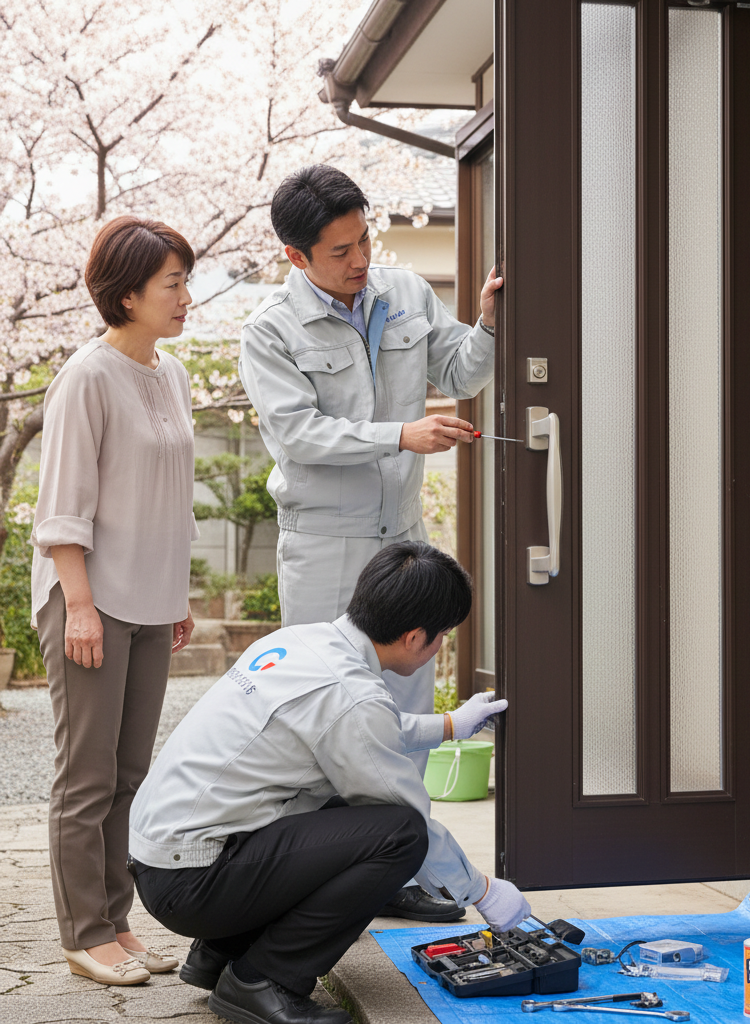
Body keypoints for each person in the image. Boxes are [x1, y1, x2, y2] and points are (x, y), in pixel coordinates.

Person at [238, 164, 501, 922]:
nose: (359, 261)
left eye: (363, 240)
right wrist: (402, 434)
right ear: (295, 257)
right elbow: (298, 436)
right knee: (323, 713)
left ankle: (401, 871)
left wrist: (486, 322)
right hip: (324, 546)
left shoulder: (406, 293)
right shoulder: (271, 331)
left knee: (404, 708)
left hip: (402, 538)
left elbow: (462, 370)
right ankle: (311, 872)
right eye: (339, 251)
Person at [128, 542, 530, 1024]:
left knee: (345, 813)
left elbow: (363, 728)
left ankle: (220, 952)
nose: (441, 645)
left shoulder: (303, 643)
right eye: (443, 635)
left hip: (165, 856)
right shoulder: (350, 697)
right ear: (413, 636)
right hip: (193, 881)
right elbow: (401, 803)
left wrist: (450, 724)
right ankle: (264, 980)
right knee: (399, 834)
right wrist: (483, 891)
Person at [30, 216, 200, 986]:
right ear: (127, 294)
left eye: (184, 282)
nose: (186, 297)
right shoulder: (87, 377)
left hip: (151, 599)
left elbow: (171, 498)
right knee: (87, 775)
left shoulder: (172, 373)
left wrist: (178, 593)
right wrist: (82, 606)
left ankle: (117, 921)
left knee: (132, 772)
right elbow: (62, 506)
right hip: (90, 599)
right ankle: (83, 931)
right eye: (173, 284)